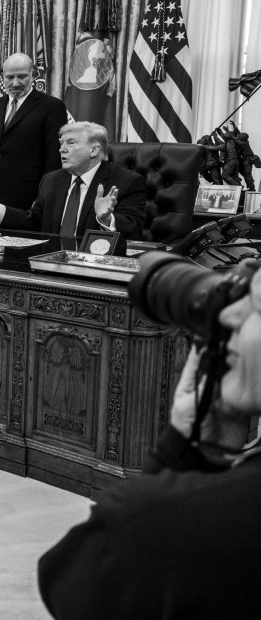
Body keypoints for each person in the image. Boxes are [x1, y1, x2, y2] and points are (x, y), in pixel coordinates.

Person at [38, 263, 261, 618]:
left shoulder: (156, 525)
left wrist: (178, 452)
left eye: (256, 305)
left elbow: (67, 583)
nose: (231, 315)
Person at [0, 121, 148, 240]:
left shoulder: (127, 182)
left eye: (71, 143)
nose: (61, 150)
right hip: (50, 263)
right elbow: (34, 222)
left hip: (93, 268)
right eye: (61, 144)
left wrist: (107, 219)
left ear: (94, 150)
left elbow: (135, 231)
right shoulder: (52, 180)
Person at [0, 52, 68, 218]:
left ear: (33, 74)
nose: (15, 83)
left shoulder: (52, 107)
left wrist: (43, 198)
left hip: (28, 200)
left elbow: (54, 159)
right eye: (10, 77)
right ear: (2, 77)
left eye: (22, 76)